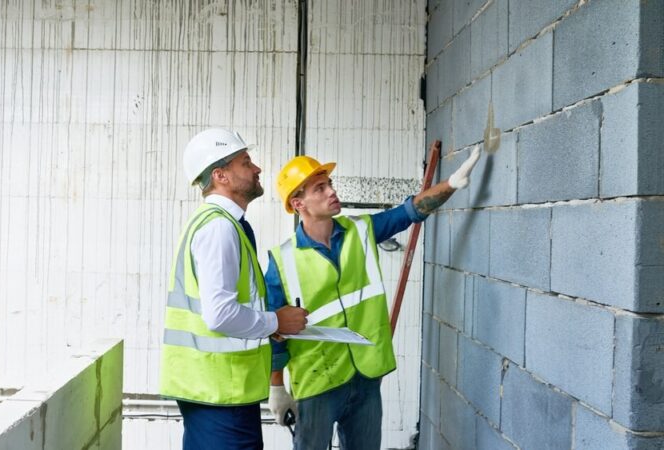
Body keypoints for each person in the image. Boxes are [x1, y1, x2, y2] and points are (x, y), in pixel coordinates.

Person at [265, 146, 481, 450]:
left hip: (365, 379)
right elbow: (275, 332)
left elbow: (409, 212)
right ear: (298, 202)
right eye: (320, 187)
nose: (331, 191)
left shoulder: (361, 230)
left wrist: (452, 183)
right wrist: (276, 387)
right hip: (317, 383)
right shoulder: (281, 261)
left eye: (329, 183)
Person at [160, 128, 308, 450]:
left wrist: (268, 328)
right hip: (220, 394)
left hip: (218, 390)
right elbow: (220, 314)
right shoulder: (219, 228)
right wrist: (276, 322)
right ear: (220, 175)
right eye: (246, 162)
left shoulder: (221, 224)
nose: (256, 169)